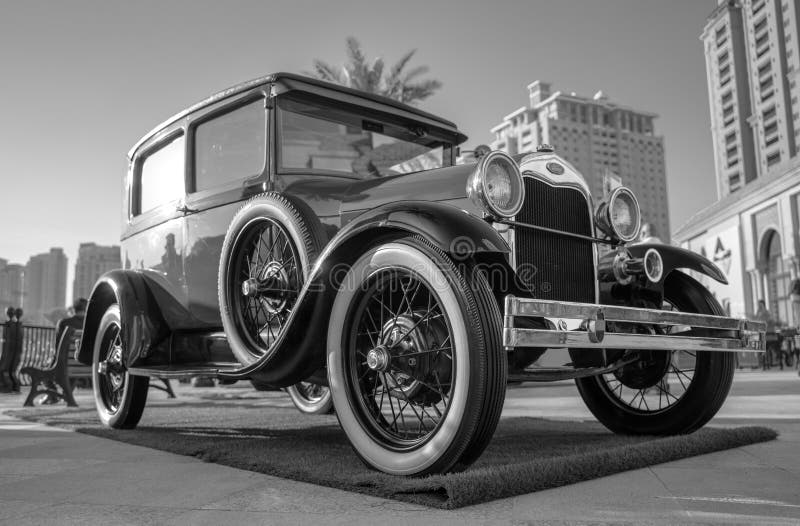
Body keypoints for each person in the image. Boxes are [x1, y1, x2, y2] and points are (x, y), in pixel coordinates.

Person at [40, 299, 87, 404]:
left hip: (64, 363)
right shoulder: (92, 325)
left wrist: (50, 362)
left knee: (44, 368)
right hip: (84, 364)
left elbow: (58, 347)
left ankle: (52, 395)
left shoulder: (64, 323)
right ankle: (66, 394)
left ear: (74, 309)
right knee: (74, 370)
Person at [756, 300, 777, 370]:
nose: (759, 306)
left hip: (767, 333)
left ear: (763, 305)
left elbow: (770, 320)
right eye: (758, 305)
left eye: (760, 305)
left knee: (765, 349)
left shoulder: (767, 312)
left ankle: (766, 364)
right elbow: (756, 320)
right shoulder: (758, 313)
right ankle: (763, 364)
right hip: (761, 332)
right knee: (762, 349)